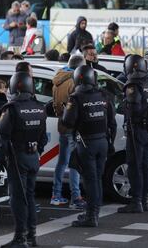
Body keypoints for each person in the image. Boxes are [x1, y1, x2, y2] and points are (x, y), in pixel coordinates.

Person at [0, 71, 48, 247]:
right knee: (30, 197)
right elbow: (43, 137)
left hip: (17, 158)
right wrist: (37, 151)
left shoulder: (11, 108)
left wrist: (0, 160)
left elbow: (2, 138)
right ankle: (32, 236)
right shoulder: (40, 107)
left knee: (18, 198)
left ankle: (20, 238)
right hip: (33, 157)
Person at [62, 65, 116, 226]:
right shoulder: (104, 95)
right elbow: (112, 123)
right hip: (103, 142)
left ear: (78, 78)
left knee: (89, 180)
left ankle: (91, 216)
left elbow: (67, 122)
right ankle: (94, 212)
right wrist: (110, 142)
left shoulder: (76, 98)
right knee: (97, 179)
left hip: (86, 143)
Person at [117, 54, 148, 214]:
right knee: (144, 165)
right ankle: (145, 200)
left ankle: (136, 201)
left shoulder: (133, 85)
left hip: (136, 129)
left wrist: (125, 106)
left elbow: (133, 108)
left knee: (135, 166)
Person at [51, 55, 87, 209]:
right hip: (73, 126)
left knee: (62, 161)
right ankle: (76, 197)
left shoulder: (57, 80)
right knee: (74, 163)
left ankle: (56, 195)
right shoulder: (74, 81)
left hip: (62, 123)